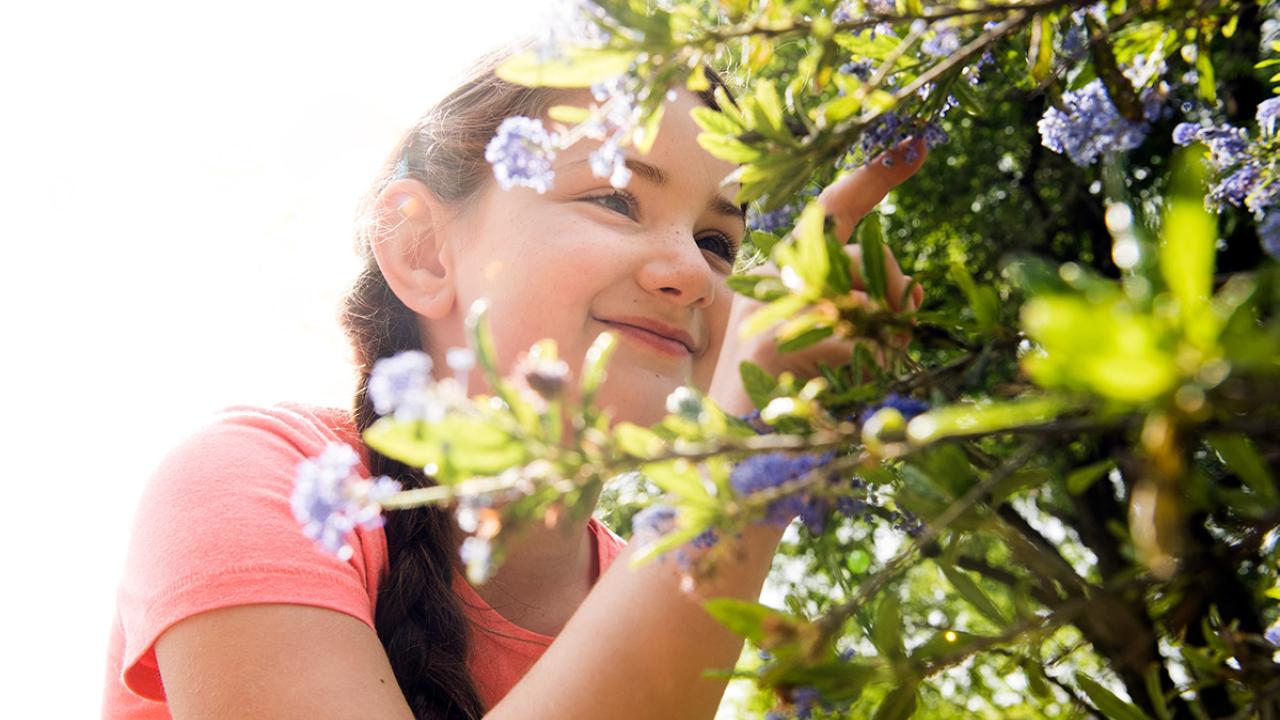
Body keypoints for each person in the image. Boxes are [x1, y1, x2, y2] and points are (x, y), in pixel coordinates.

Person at [103, 45, 927, 720]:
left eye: (719, 241)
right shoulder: (248, 480)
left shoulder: (651, 583)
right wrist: (746, 461)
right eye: (614, 197)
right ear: (424, 252)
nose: (693, 272)